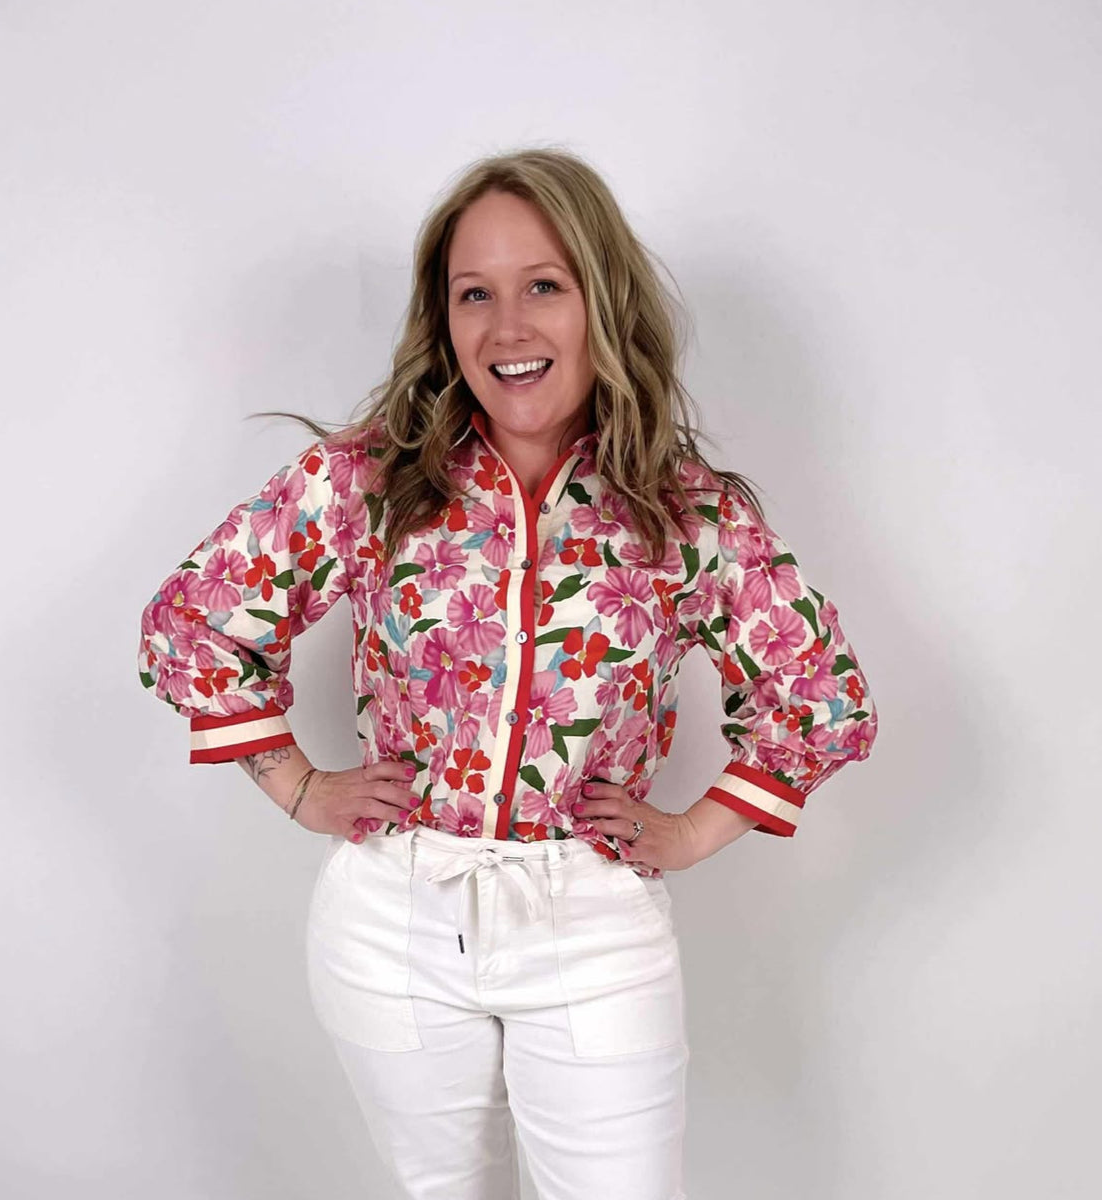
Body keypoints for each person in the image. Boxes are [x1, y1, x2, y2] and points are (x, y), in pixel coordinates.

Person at [138, 147, 878, 1200]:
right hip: (392, 917)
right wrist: (298, 786)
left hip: (593, 926)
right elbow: (193, 624)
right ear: (443, 320)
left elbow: (821, 697)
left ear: (601, 300)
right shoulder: (369, 478)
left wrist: (690, 833)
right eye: (473, 294)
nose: (507, 328)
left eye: (543, 286)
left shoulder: (686, 510)